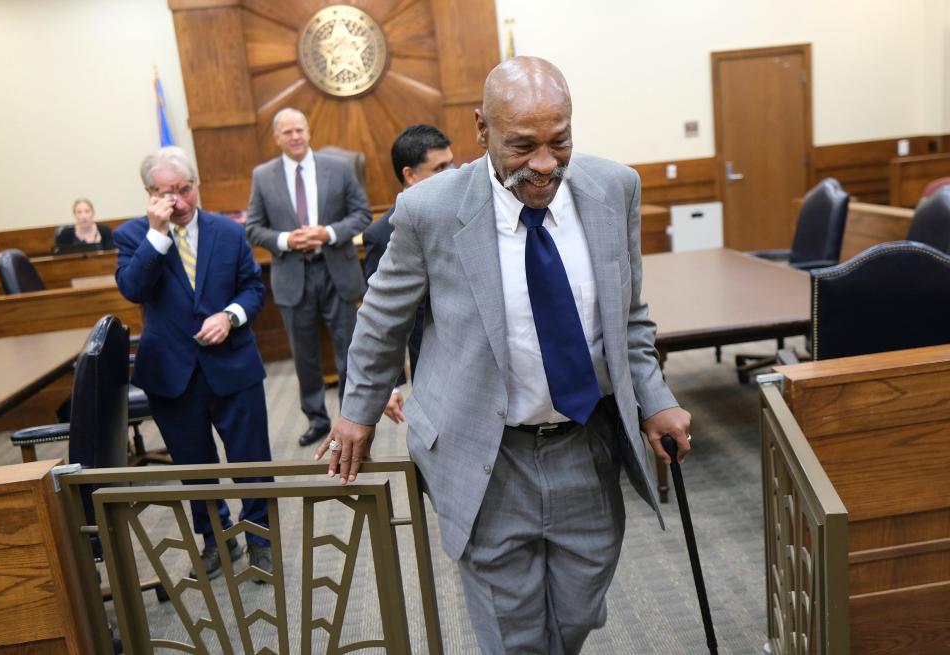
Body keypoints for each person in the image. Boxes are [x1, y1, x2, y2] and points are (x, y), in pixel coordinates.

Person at [319, 57, 693, 653]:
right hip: (484, 450)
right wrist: (356, 412)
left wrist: (655, 397)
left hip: (584, 441)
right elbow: (383, 319)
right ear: (481, 129)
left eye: (559, 141)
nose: (545, 164)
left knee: (578, 609)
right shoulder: (429, 211)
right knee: (511, 628)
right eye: (523, 146)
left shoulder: (614, 188)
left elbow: (627, 316)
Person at [115, 146, 274, 581]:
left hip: (233, 365)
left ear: (197, 185)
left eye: (185, 190)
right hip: (171, 374)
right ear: (150, 194)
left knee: (252, 461)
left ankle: (261, 541)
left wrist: (230, 315)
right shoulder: (133, 236)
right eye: (168, 193)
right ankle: (217, 540)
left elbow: (252, 289)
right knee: (194, 468)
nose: (180, 202)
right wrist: (157, 235)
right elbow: (133, 288)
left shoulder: (227, 231)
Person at [245, 108, 372, 447]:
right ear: (277, 138)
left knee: (349, 351)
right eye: (287, 132)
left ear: (308, 131)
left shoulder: (339, 168)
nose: (295, 136)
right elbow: (253, 228)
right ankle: (317, 419)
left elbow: (361, 214)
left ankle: (350, 419)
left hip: (337, 272)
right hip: (292, 276)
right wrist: (287, 240)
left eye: (299, 129)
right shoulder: (263, 175)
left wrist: (328, 233)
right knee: (305, 356)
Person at [362, 124, 453, 423]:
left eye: (451, 163)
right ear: (410, 175)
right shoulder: (382, 234)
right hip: (433, 365)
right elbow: (384, 316)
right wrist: (391, 385)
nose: (451, 174)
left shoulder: (468, 211)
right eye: (440, 167)